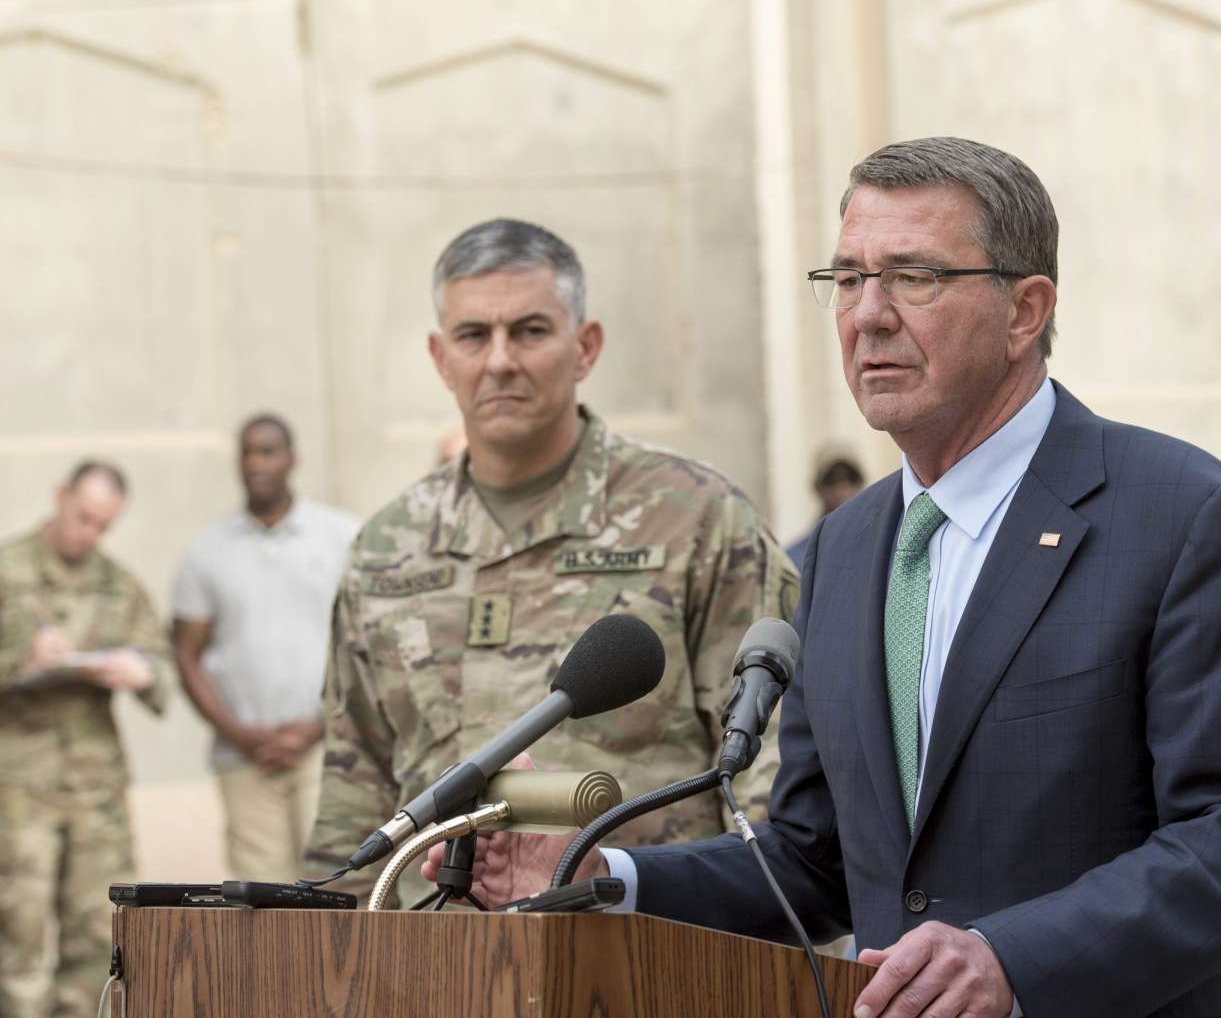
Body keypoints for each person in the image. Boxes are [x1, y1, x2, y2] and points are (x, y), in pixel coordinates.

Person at [447, 138, 1221, 1018]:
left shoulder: (1183, 517)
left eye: (914, 278)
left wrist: (1014, 962)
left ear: (1025, 311)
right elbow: (816, 860)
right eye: (847, 279)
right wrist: (602, 873)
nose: (867, 315)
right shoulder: (837, 553)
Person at [303, 218, 798, 905]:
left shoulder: (698, 519)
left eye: (530, 331)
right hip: (436, 953)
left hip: (638, 942)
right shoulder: (385, 549)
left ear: (585, 347)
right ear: (441, 358)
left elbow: (770, 792)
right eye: (473, 335)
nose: (500, 360)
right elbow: (353, 796)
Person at [0, 461, 171, 1018]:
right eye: (82, 517)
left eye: (103, 525)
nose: (89, 534)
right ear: (59, 495)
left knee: (99, 934)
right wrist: (21, 660)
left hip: (96, 791)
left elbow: (162, 674)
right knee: (17, 933)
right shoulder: (8, 571)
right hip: (18, 789)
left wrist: (142, 673)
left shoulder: (119, 586)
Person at [170, 414, 360, 881]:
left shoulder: (342, 537)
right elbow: (186, 656)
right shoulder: (206, 551)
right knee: (258, 899)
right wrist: (237, 733)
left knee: (332, 888)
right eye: (248, 452)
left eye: (268, 451)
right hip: (244, 760)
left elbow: (368, 645)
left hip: (327, 750)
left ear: (291, 458)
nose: (257, 463)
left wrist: (318, 726)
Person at [785, 446, 866, 568]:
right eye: (832, 480)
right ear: (817, 488)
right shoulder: (796, 559)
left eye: (851, 478)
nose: (842, 489)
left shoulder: (879, 546)